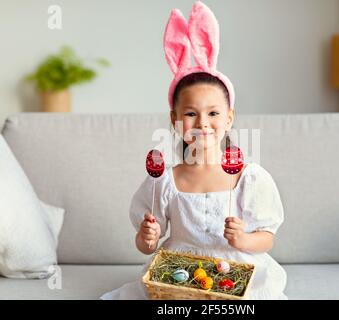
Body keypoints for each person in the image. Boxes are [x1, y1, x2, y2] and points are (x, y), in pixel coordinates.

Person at [101, 1, 287, 300]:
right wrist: (146, 238)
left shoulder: (250, 178)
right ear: (174, 121)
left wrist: (243, 239)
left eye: (213, 113)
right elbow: (148, 243)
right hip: (179, 276)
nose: (202, 123)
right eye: (190, 114)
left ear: (229, 118)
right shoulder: (164, 181)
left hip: (234, 273)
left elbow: (267, 238)